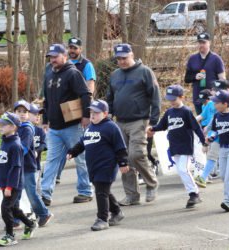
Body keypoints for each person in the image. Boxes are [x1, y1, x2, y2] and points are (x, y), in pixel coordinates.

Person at [106, 43, 160, 206]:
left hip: (139, 120)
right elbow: (110, 97)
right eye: (119, 59)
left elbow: (155, 97)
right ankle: (132, 195)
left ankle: (151, 183)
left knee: (136, 154)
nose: (122, 61)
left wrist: (154, 122)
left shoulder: (144, 72)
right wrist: (108, 114)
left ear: (132, 55)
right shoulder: (115, 75)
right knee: (124, 159)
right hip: (120, 122)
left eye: (124, 58)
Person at [41, 44, 93, 205]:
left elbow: (85, 95)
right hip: (55, 128)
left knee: (81, 159)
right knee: (51, 160)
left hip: (73, 126)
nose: (52, 60)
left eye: (55, 56)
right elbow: (46, 99)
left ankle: (85, 191)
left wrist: (86, 116)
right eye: (50, 57)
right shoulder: (49, 72)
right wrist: (44, 120)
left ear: (65, 56)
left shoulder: (73, 73)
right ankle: (45, 194)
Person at [67, 100, 129, 231]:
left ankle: (102, 219)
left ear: (105, 113)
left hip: (106, 166)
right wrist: (72, 152)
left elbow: (120, 147)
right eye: (91, 112)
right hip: (93, 167)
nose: (92, 115)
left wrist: (123, 162)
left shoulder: (111, 127)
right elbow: (82, 143)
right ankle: (117, 212)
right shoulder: (90, 127)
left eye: (96, 112)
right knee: (104, 191)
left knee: (101, 192)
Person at [147, 85, 207, 208]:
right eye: (170, 99)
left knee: (183, 169)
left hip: (185, 146)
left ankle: (194, 194)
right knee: (181, 170)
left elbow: (196, 127)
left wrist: (203, 141)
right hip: (174, 147)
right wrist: (152, 128)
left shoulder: (186, 112)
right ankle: (193, 193)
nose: (172, 102)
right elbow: (162, 126)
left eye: (174, 99)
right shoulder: (169, 112)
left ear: (182, 97)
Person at [56, 37, 97, 184]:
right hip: (63, 109)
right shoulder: (63, 64)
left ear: (81, 49)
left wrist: (87, 110)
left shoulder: (86, 65)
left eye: (75, 48)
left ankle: (87, 180)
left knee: (75, 143)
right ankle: (56, 174)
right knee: (60, 143)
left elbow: (90, 86)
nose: (72, 51)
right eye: (70, 47)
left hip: (78, 108)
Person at [0, 112, 37, 246]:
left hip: (13, 184)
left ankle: (10, 235)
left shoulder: (16, 145)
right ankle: (30, 224)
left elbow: (16, 167)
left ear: (13, 127)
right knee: (14, 209)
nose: (0, 126)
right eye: (0, 123)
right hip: (5, 182)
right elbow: (4, 156)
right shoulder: (5, 140)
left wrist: (9, 187)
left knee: (5, 208)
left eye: (4, 124)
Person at [195, 80, 229, 188]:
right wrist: (208, 129)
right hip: (216, 134)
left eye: (219, 90)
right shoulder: (214, 102)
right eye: (215, 90)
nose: (216, 93)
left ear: (228, 90)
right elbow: (215, 117)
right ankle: (203, 177)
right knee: (212, 156)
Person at [14, 100, 53, 227]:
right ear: (14, 113)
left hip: (28, 166)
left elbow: (24, 148)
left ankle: (44, 214)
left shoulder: (27, 129)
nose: (22, 114)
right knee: (16, 193)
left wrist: (13, 157)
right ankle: (15, 219)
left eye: (25, 111)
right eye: (19, 111)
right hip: (18, 166)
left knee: (31, 193)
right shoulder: (15, 127)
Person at [185, 32, 226, 115]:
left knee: (213, 123)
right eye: (200, 43)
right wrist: (195, 77)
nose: (201, 45)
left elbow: (222, 79)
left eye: (204, 42)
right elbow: (187, 78)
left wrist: (217, 92)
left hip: (212, 98)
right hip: (198, 97)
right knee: (201, 123)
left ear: (209, 43)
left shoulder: (216, 59)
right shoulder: (192, 58)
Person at [29, 103, 47, 192]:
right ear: (27, 114)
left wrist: (37, 151)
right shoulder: (21, 130)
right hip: (24, 165)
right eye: (35, 114)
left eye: (39, 115)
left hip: (36, 165)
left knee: (36, 188)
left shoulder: (40, 131)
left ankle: (38, 203)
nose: (38, 116)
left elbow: (44, 145)